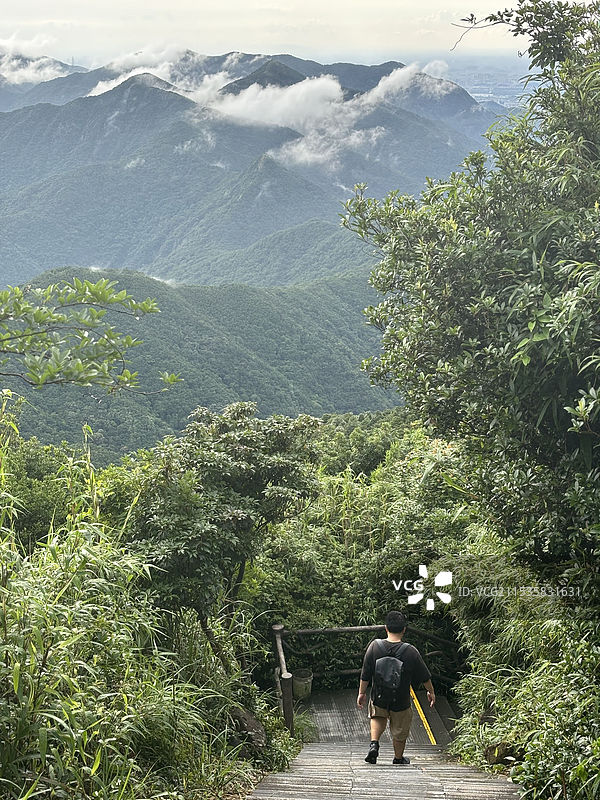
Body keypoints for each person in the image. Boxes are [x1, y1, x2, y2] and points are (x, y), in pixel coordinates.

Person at [357, 610, 435, 765]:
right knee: (400, 728)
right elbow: (424, 676)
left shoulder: (374, 647)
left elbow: (365, 673)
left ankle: (374, 744)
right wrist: (431, 692)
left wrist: (361, 693)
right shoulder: (410, 651)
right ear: (404, 629)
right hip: (401, 698)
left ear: (386, 628)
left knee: (377, 717)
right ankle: (398, 758)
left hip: (379, 695)